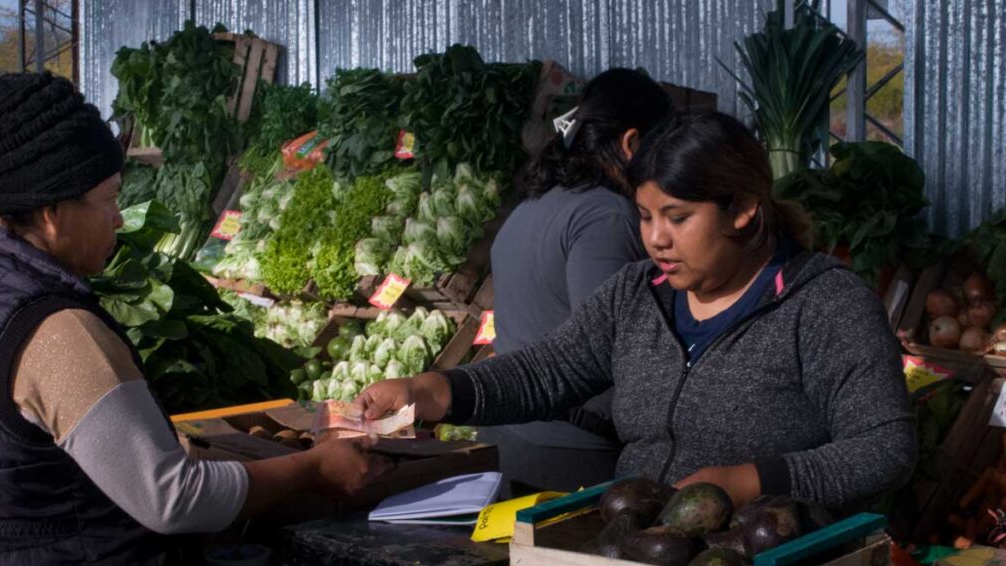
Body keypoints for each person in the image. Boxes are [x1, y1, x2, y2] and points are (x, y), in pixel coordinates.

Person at [0, 72, 390, 566]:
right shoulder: (55, 329)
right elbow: (171, 498)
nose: (118, 218)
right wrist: (315, 467)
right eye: (107, 198)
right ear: (50, 212)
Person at [358, 111, 917, 511]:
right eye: (645, 217)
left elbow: (884, 450)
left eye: (677, 217)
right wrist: (434, 390)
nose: (656, 239)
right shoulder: (636, 293)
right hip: (640, 551)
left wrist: (753, 481)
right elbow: (547, 370)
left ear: (744, 209)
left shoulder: (824, 305)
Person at [483, 68, 675, 493]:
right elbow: (608, 342)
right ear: (632, 144)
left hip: (510, 435)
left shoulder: (532, 205)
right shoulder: (605, 215)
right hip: (565, 455)